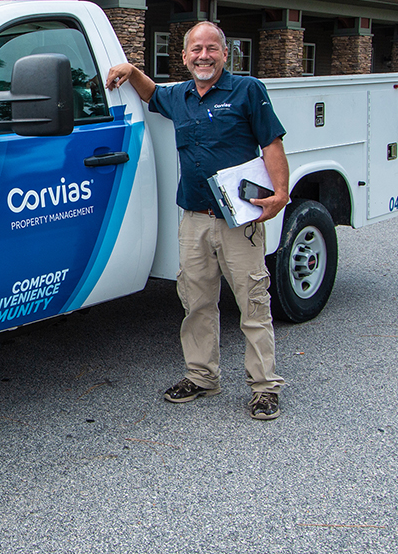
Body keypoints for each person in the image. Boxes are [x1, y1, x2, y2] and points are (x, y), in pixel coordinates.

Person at [105, 21, 289, 420]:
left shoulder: (247, 91)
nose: (203, 56)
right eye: (195, 50)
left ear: (226, 54)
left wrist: (280, 193)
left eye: (211, 48)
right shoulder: (180, 96)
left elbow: (271, 141)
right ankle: (202, 376)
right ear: (185, 57)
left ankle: (264, 387)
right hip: (193, 218)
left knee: (252, 303)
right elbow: (151, 94)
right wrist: (132, 71)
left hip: (238, 220)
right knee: (197, 302)